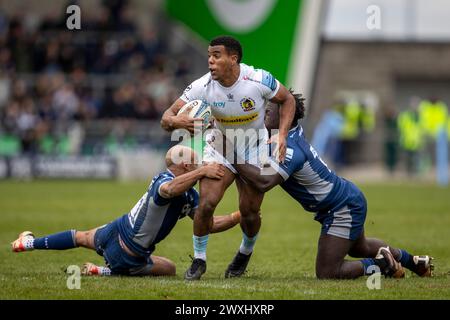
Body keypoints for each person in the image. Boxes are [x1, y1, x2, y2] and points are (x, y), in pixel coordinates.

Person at [233, 92, 434, 279]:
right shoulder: (287, 134)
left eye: (273, 105)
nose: (266, 109)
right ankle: (415, 262)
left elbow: (264, 181)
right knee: (359, 248)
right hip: (344, 199)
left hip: (341, 207)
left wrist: (230, 155)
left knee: (327, 272)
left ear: (288, 113)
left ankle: (381, 263)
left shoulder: (290, 148)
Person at [161, 36, 295, 280]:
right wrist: (177, 121)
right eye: (209, 56)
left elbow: (287, 99)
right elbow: (166, 117)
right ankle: (199, 260)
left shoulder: (257, 79)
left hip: (254, 148)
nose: (210, 61)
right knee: (207, 204)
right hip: (220, 146)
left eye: (216, 55)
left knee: (250, 211)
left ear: (233, 59)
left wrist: (282, 135)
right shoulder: (202, 86)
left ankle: (245, 251)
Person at [11, 145, 241, 277]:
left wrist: (238, 216)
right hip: (128, 253)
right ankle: (108, 272)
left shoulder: (190, 194)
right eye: (197, 163)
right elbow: (170, 190)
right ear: (186, 166)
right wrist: (202, 173)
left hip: (114, 231)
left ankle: (27, 243)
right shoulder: (164, 181)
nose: (201, 165)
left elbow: (207, 225)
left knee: (79, 237)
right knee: (169, 268)